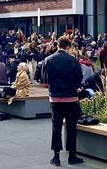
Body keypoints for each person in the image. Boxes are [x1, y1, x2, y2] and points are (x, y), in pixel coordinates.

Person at [42, 36, 84, 167]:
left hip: (55, 98)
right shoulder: (73, 60)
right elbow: (78, 80)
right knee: (72, 127)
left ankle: (56, 156)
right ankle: (72, 155)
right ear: (68, 46)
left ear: (58, 45)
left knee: (56, 127)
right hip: (71, 98)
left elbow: (44, 79)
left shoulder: (48, 60)